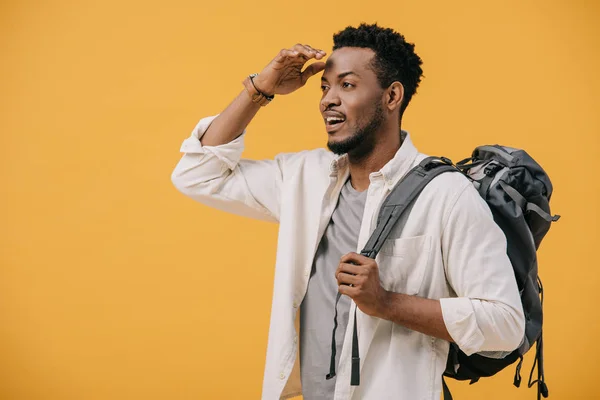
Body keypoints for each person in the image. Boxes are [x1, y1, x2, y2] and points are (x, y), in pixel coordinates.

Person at [171, 23, 525, 400]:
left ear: (392, 97)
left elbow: (505, 325)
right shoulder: (304, 179)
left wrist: (386, 303)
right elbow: (197, 175)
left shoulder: (445, 195)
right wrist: (260, 90)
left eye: (347, 85)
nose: (327, 99)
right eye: (325, 87)